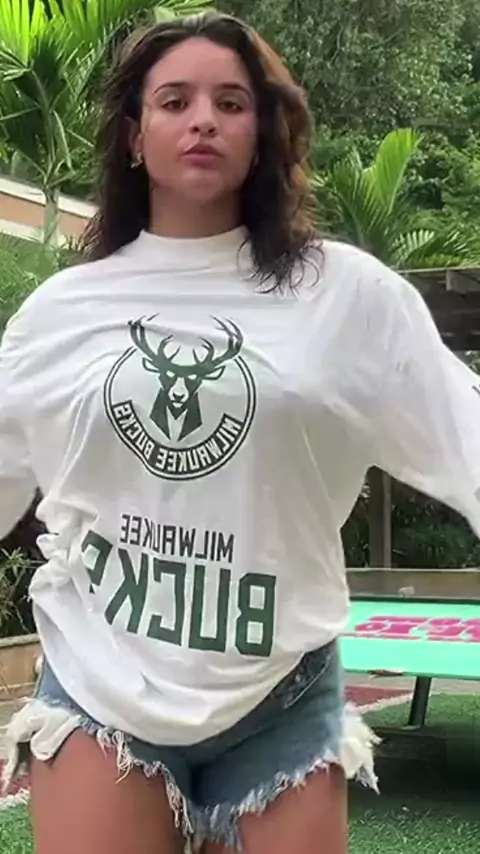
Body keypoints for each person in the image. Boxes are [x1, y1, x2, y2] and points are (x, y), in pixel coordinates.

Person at [2, 10, 480, 854]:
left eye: (231, 102)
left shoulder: (349, 297)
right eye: (174, 101)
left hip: (280, 691)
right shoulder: (59, 315)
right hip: (101, 680)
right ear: (134, 136)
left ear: (263, 133)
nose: (203, 120)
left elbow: (466, 437)